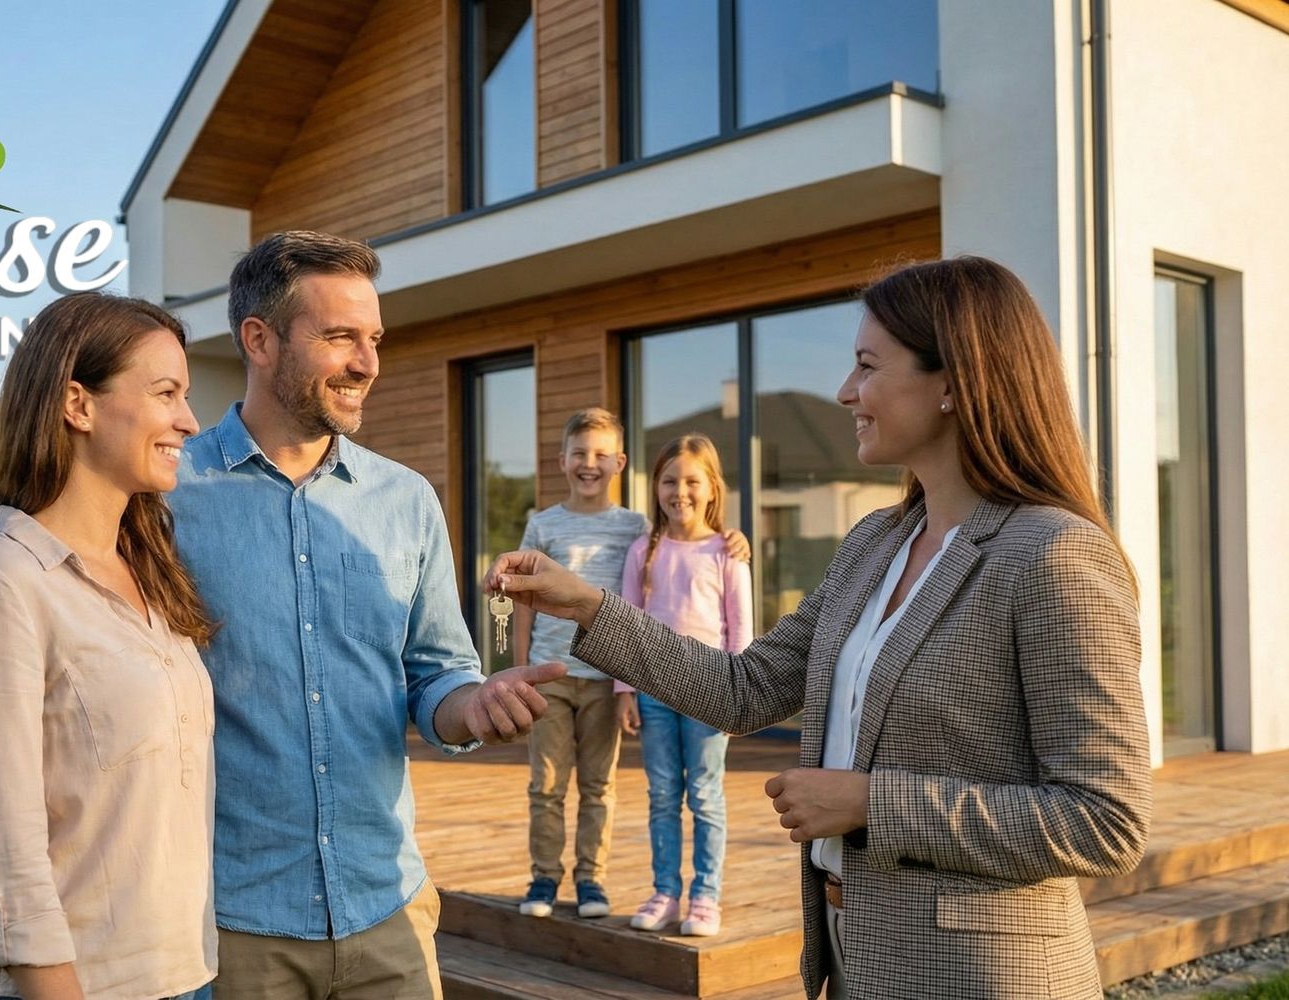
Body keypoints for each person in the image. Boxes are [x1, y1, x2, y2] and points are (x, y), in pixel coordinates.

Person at [486, 257, 1151, 999]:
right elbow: (742, 689)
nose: (844, 392)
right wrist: (586, 605)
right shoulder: (874, 541)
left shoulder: (1053, 554)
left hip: (982, 977)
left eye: (866, 366)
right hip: (847, 958)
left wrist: (872, 802)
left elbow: (1104, 819)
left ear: (953, 383)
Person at [166, 230, 565, 1000]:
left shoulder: (406, 501)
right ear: (258, 339)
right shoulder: (169, 495)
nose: (367, 363)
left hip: (387, 910)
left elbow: (436, 674)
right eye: (339, 336)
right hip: (233, 923)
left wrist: (472, 706)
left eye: (373, 338)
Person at [0, 292, 218, 1000]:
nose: (188, 420)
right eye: (165, 393)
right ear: (78, 405)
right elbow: (6, 860)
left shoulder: (154, 576)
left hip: (183, 977)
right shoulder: (3, 585)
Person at [511, 408, 649, 921]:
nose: (588, 464)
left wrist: (732, 541)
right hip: (550, 675)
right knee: (545, 785)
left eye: (599, 454)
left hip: (607, 679)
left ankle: (592, 879)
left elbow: (677, 556)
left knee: (599, 785)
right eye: (579, 454)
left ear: (619, 461)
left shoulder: (636, 526)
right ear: (562, 460)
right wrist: (521, 666)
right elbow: (522, 600)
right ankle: (544, 877)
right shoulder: (542, 524)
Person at [615, 434, 752, 937]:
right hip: (652, 690)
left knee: (706, 796)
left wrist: (740, 698)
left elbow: (741, 630)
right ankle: (665, 891)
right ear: (655, 487)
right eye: (669, 481)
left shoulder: (728, 552)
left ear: (712, 488)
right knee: (663, 793)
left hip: (711, 691)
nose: (680, 491)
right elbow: (626, 626)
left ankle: (705, 896)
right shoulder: (641, 552)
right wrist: (623, 692)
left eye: (692, 481)